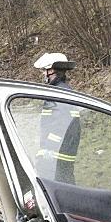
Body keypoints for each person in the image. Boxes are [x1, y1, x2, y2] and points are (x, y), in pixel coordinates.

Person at [33, 52, 79, 184]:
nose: (43, 74)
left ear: (52, 71)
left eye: (44, 71)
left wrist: (47, 150)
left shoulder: (58, 93)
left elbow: (61, 124)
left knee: (58, 193)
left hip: (56, 156)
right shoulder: (62, 90)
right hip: (62, 156)